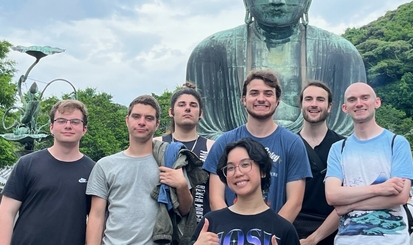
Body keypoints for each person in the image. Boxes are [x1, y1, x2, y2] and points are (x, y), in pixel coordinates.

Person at [186, 0, 366, 140]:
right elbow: (202, 133)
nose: (277, 0)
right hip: (238, 164)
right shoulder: (212, 52)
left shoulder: (340, 53)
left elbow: (350, 134)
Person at [203, 69, 312, 223]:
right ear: (243, 99)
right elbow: (216, 198)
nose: (261, 99)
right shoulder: (224, 142)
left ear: (278, 100)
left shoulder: (293, 143)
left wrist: (269, 234)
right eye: (254, 93)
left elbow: (294, 203)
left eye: (268, 93)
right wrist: (233, 231)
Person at [86, 95, 193, 245]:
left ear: (157, 125)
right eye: (136, 116)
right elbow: (97, 216)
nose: (142, 122)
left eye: (149, 118)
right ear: (127, 120)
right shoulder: (105, 165)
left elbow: (185, 210)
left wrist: (181, 186)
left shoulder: (170, 161)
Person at [325, 82, 413, 244]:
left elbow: (401, 197)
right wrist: (381, 188)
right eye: (352, 100)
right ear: (345, 108)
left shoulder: (397, 143)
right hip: (347, 240)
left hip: (391, 239)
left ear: (377, 102)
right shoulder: (338, 148)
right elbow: (332, 196)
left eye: (365, 98)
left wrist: (348, 206)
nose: (359, 103)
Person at [0, 99, 95, 245]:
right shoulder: (27, 164)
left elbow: (96, 218)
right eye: (62, 121)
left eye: (75, 122)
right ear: (51, 127)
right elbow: (6, 211)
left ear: (84, 129)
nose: (68, 126)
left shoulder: (93, 171)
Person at [191, 137, 300, 244]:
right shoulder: (211, 222)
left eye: (245, 164)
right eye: (230, 167)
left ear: (262, 171)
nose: (238, 173)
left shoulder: (284, 229)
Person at [154, 82, 214, 223]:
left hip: (201, 224)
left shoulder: (212, 147)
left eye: (193, 105)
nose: (187, 108)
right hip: (164, 223)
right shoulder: (157, 144)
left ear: (200, 114)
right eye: (181, 105)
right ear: (171, 112)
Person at [294, 81, 344, 245]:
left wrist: (313, 239)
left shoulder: (344, 147)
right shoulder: (288, 144)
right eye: (308, 99)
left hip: (334, 231)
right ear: (301, 104)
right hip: (292, 229)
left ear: (330, 106)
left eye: (320, 99)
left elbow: (348, 201)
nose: (314, 104)